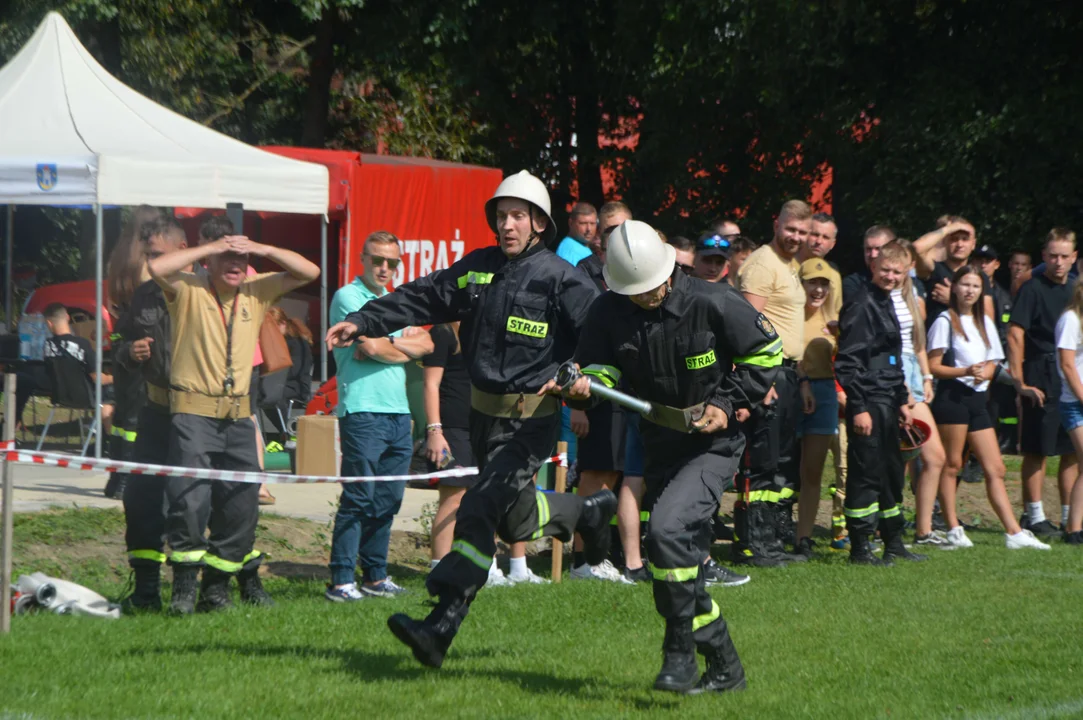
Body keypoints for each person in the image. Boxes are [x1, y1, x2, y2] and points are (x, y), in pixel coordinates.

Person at [326, 170, 616, 670]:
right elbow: (423, 295)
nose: (507, 225)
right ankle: (585, 513)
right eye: (501, 216)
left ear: (540, 223)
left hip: (531, 424)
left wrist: (585, 380)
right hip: (480, 420)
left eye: (518, 216)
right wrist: (366, 321)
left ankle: (440, 623)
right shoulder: (478, 269)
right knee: (512, 516)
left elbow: (600, 345)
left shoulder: (563, 279)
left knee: (478, 510)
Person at [558, 220, 781, 694]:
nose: (648, 297)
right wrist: (584, 387)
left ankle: (678, 651)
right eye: (635, 292)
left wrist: (726, 403)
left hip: (714, 444)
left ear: (668, 268)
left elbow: (767, 351)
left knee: (667, 531)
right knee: (670, 559)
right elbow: (602, 369)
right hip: (659, 442)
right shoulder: (607, 312)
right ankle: (725, 665)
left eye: (653, 287)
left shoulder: (713, 301)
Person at [148, 231, 319, 614]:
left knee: (242, 506)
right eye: (226, 259)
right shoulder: (188, 288)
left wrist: (262, 248)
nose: (235, 265)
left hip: (240, 417)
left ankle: (217, 589)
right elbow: (156, 267)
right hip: (194, 414)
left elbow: (310, 270)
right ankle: (183, 591)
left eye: (241, 260)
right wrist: (213, 247)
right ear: (209, 262)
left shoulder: (257, 289)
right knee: (190, 502)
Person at [325, 231, 434, 602]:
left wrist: (389, 345)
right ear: (363, 259)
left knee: (388, 499)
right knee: (359, 496)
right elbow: (367, 346)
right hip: (363, 410)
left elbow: (427, 344)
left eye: (393, 262)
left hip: (399, 413)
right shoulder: (349, 298)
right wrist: (391, 346)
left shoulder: (393, 299)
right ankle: (341, 580)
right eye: (377, 260)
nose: (385, 268)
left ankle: (375, 576)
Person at [927, 266, 1049, 550]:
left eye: (976, 286)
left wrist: (989, 371)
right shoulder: (945, 320)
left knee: (995, 467)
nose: (970, 291)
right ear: (955, 287)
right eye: (965, 284)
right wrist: (964, 371)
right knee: (953, 464)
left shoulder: (985, 322)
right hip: (952, 397)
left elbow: (995, 361)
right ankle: (953, 528)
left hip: (978, 399)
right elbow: (932, 365)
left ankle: (1014, 532)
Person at [423, 322, 545, 585]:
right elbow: (431, 385)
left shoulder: (487, 330)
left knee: (493, 496)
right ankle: (438, 568)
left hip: (487, 424)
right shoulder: (442, 332)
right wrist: (434, 430)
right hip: (453, 428)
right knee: (454, 498)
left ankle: (493, 567)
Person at [111, 218, 191, 612]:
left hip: (198, 416)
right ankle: (145, 591)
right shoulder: (143, 295)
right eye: (148, 255)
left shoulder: (207, 291)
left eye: (158, 255)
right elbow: (118, 345)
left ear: (184, 248)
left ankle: (188, 591)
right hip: (155, 412)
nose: (151, 263)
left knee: (189, 503)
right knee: (142, 499)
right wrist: (129, 353)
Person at [834, 242, 923, 565]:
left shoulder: (888, 301)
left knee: (891, 473)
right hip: (868, 400)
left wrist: (902, 400)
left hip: (887, 399)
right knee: (865, 474)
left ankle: (893, 542)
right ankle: (859, 548)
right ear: (874, 266)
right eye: (885, 269)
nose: (890, 276)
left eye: (897, 272)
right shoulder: (861, 304)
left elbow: (892, 359)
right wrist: (858, 407)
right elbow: (847, 363)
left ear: (905, 274)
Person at [733, 199, 810, 562]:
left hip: (789, 372)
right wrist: (762, 381)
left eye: (802, 232)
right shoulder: (762, 264)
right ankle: (752, 542)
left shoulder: (790, 265)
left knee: (781, 461)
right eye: (791, 229)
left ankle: (773, 540)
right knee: (761, 460)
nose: (796, 236)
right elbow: (746, 325)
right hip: (767, 372)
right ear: (776, 223)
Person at [1009, 229, 1080, 536]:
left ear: (1074, 257)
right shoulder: (1032, 288)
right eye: (1053, 255)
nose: (1058, 262)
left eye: (1064, 256)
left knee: (1071, 452)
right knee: (1038, 449)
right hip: (1040, 371)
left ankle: (1068, 516)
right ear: (1043, 256)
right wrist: (1019, 381)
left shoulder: (1075, 291)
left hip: (1069, 375)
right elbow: (1015, 334)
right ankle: (1033, 514)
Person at [890, 239, 946, 547]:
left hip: (914, 373)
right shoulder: (880, 298)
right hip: (895, 375)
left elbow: (919, 342)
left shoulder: (913, 296)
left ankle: (923, 530)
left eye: (904, 265)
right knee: (901, 457)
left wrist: (926, 378)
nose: (897, 273)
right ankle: (888, 525)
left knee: (932, 457)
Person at [104, 205, 162, 499]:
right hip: (141, 341)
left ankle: (115, 478)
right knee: (135, 419)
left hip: (119, 338)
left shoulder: (118, 259)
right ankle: (127, 479)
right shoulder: (145, 263)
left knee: (122, 414)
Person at [794, 259, 839, 555]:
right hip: (793, 389)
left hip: (825, 395)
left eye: (824, 283)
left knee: (813, 471)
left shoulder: (834, 319)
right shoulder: (790, 314)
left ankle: (803, 538)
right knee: (783, 469)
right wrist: (803, 382)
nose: (818, 288)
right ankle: (770, 529)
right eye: (812, 282)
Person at [41, 303, 115, 436]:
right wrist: (114, 378)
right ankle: (109, 441)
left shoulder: (47, 346)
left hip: (61, 397)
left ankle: (102, 435)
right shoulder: (82, 345)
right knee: (111, 393)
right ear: (68, 317)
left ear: (49, 323)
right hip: (87, 398)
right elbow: (98, 378)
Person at [973, 244, 1018, 453]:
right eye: (979, 260)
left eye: (988, 260)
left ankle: (1006, 439)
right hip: (976, 357)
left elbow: (1006, 330)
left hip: (999, 356)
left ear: (997, 264)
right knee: (985, 401)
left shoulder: (1003, 296)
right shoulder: (968, 290)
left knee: (1004, 400)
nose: (983, 264)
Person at [912, 216, 995, 322]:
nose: (959, 244)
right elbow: (916, 248)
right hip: (938, 335)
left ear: (973, 244)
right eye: (954, 239)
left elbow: (988, 318)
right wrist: (948, 229)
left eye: (965, 239)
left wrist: (954, 301)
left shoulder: (980, 276)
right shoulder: (934, 270)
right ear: (944, 242)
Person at [1054, 271, 1083, 545]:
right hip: (1074, 402)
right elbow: (1066, 365)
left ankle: (1075, 527)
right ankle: (1073, 529)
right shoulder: (1070, 319)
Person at [263, 307, 313, 437]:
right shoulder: (278, 342)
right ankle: (277, 432)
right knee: (261, 394)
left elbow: (294, 371)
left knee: (274, 396)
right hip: (279, 384)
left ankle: (286, 433)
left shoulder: (297, 343)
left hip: (297, 386)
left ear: (283, 325)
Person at [799, 213, 843, 317]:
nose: (819, 241)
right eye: (814, 234)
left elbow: (835, 314)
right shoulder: (786, 267)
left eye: (825, 237)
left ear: (833, 244)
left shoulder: (834, 275)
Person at [842, 225, 896, 302]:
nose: (873, 255)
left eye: (878, 249)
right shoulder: (853, 283)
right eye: (868, 249)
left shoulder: (904, 282)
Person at [555, 202, 597, 267]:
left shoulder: (580, 247)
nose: (589, 229)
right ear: (571, 223)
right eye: (583, 223)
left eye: (592, 223)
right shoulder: (570, 252)